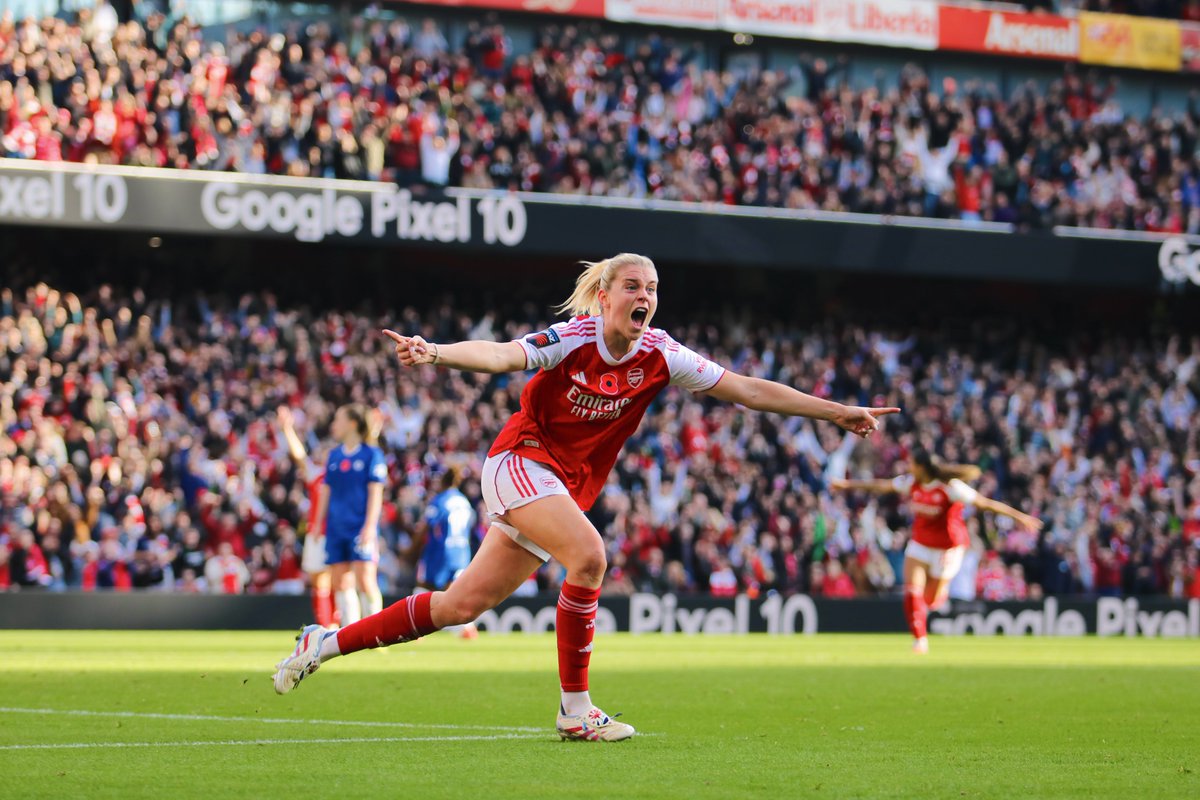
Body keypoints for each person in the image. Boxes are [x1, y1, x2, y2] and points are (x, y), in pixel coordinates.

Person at [273, 252, 898, 742]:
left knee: (461, 605)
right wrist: (435, 353)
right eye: (632, 286)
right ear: (604, 297)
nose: (644, 297)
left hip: (562, 484)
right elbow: (500, 354)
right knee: (590, 557)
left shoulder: (660, 354)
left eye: (651, 289)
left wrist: (834, 411)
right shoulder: (572, 337)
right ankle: (576, 710)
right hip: (519, 462)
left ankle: (322, 642)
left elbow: (748, 390)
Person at [831, 448, 1041, 653]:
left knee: (930, 600)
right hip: (920, 544)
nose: (909, 468)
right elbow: (881, 486)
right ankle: (919, 640)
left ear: (923, 468)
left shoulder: (950, 488)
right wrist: (847, 485)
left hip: (947, 548)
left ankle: (939, 597)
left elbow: (985, 503)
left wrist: (1020, 517)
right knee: (912, 591)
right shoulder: (911, 483)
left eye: (912, 464)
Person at [311, 404, 387, 627]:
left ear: (352, 423)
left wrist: (370, 526)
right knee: (340, 581)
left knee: (365, 579)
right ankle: (350, 633)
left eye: (338, 420)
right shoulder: (334, 456)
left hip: (359, 526)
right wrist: (317, 523)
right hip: (336, 527)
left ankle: (377, 632)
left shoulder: (371, 454)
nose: (334, 425)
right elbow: (326, 491)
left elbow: (376, 492)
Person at [278, 406, 336, 627]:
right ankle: (325, 625)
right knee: (318, 582)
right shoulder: (318, 475)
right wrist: (287, 429)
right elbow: (300, 456)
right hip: (316, 533)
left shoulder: (344, 476)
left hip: (336, 533)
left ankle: (337, 624)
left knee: (337, 582)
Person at [412, 465, 478, 637]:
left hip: (440, 552)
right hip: (461, 552)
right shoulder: (464, 502)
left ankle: (413, 628)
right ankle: (467, 629)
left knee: (423, 584)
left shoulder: (440, 500)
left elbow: (425, 527)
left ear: (443, 481)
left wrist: (410, 550)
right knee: (453, 590)